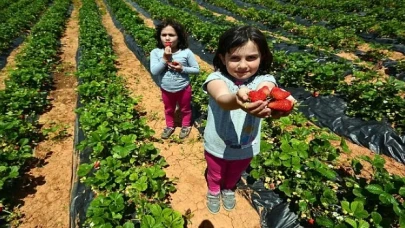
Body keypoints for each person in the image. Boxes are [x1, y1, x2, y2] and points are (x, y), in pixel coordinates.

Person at [202, 25, 295, 214]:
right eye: (235, 58)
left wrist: (284, 102)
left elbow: (266, 88)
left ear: (262, 57)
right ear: (222, 58)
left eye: (251, 57)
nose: (243, 65)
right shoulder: (216, 79)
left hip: (247, 145)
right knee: (215, 172)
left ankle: (228, 188)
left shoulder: (265, 79)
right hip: (217, 143)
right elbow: (223, 99)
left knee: (236, 172)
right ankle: (213, 190)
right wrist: (238, 98)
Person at [150, 19, 200, 139]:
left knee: (185, 108)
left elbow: (196, 69)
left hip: (183, 88)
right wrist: (165, 59)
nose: (167, 38)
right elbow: (154, 71)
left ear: (179, 37)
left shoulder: (186, 53)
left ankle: (186, 125)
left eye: (171, 35)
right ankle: (170, 126)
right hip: (166, 89)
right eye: (164, 35)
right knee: (168, 109)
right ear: (159, 37)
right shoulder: (156, 52)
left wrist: (182, 69)